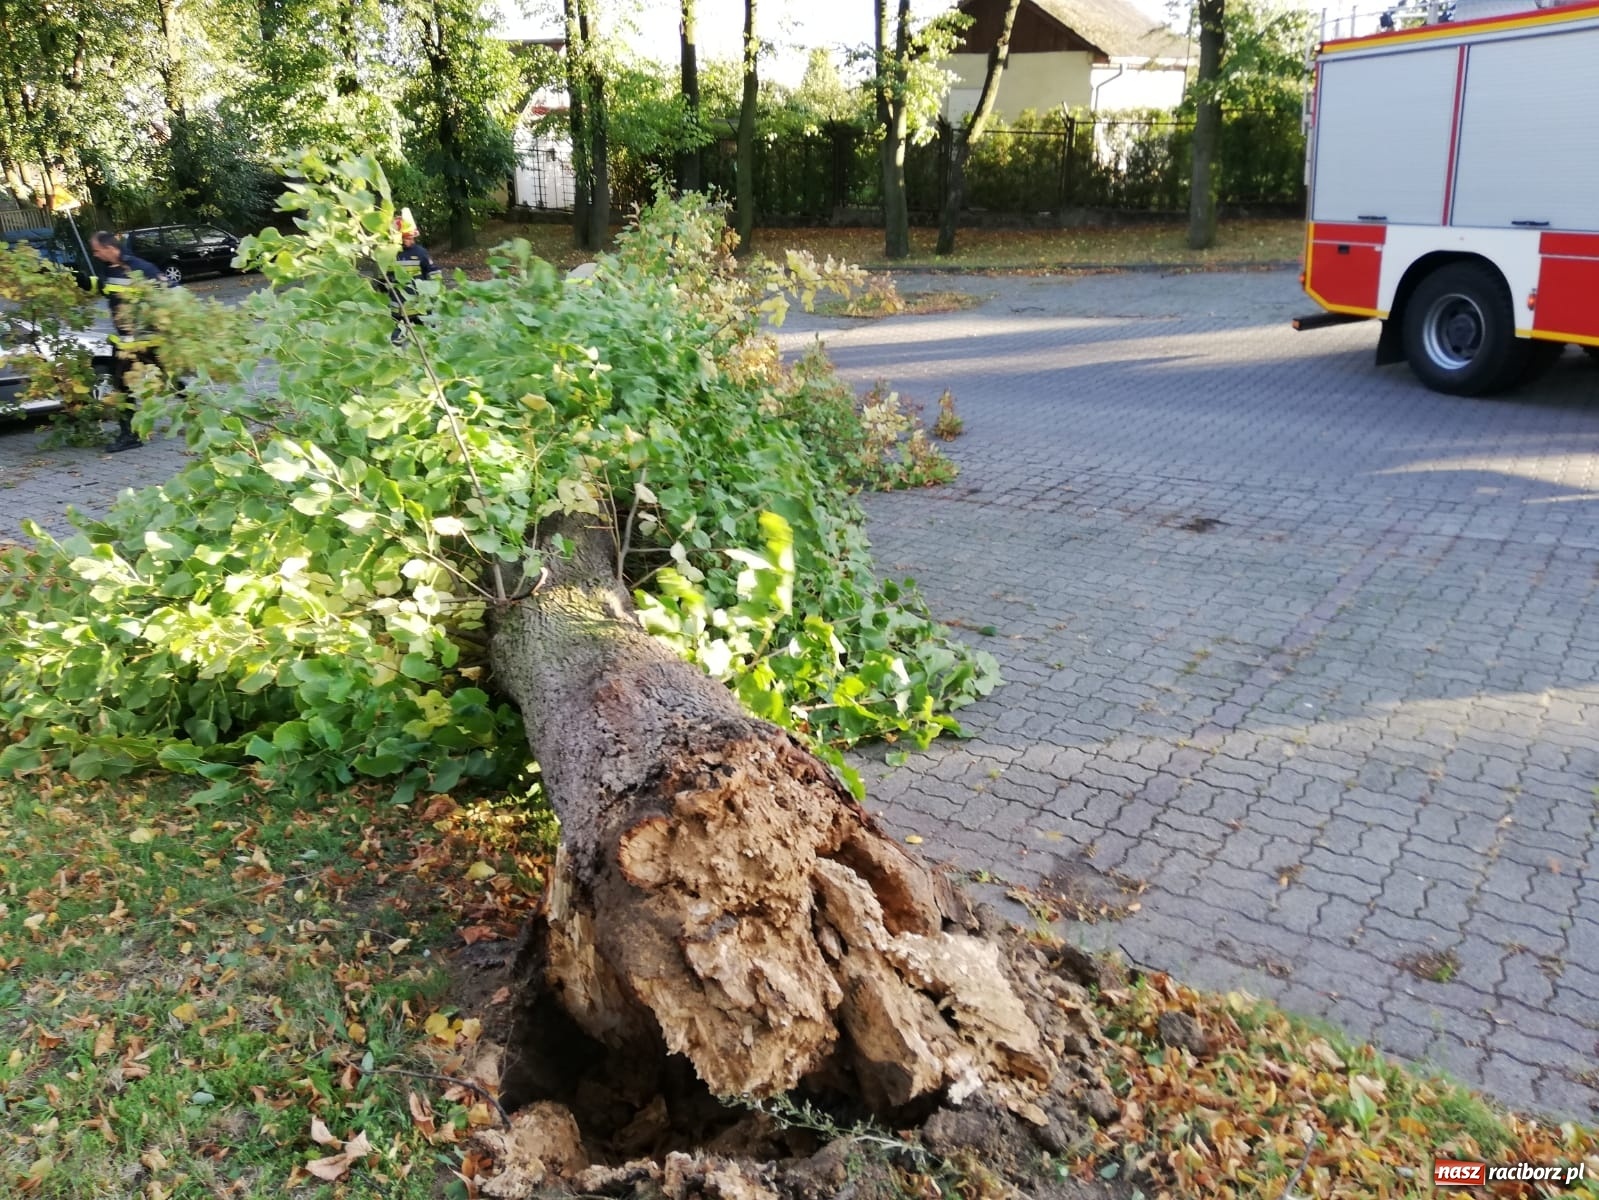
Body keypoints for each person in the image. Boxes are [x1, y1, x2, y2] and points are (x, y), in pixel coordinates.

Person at [89, 231, 168, 452]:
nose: (95, 255)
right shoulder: (110, 268)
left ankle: (131, 436)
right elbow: (108, 290)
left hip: (145, 341)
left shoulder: (140, 268)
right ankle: (130, 433)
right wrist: (84, 282)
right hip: (126, 342)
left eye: (97, 250)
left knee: (130, 387)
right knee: (126, 385)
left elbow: (168, 295)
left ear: (110, 248)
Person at [388, 208, 435, 344]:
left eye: (410, 237)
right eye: (406, 238)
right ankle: (397, 352)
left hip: (417, 300)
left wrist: (433, 290)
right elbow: (385, 276)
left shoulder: (420, 252)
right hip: (398, 302)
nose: (409, 240)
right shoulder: (392, 253)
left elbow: (432, 271)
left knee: (424, 333)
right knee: (397, 335)